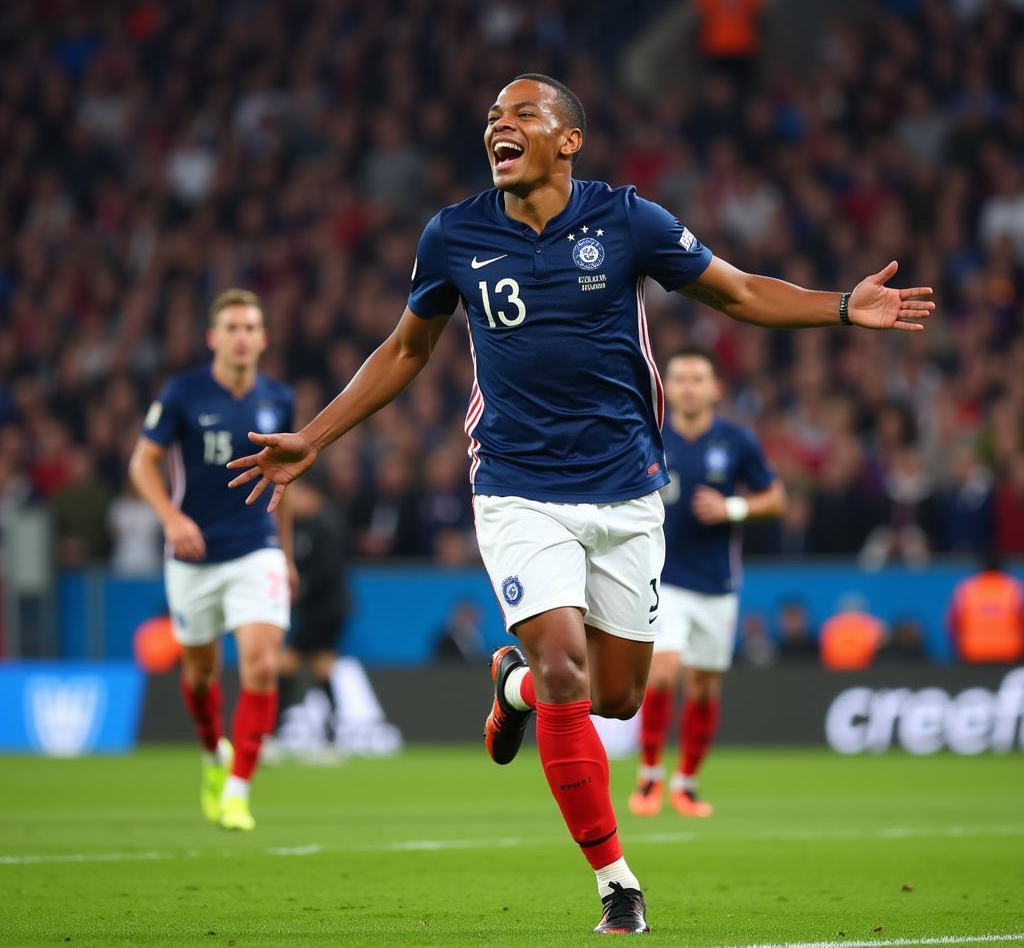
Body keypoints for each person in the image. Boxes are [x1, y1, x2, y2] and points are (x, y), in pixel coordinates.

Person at [226, 74, 934, 935]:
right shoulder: (453, 234)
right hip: (518, 489)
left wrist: (840, 310)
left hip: (628, 492)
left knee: (618, 698)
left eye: (523, 114)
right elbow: (407, 348)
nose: (501, 126)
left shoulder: (628, 219)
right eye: (492, 117)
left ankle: (512, 688)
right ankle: (616, 882)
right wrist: (316, 435)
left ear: (569, 141)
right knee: (568, 668)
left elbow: (738, 291)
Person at [129, 288, 295, 832]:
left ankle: (238, 791)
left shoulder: (279, 400)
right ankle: (210, 754)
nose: (242, 337)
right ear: (213, 338)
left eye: (251, 327)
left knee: (262, 665)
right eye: (232, 327)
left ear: (264, 338)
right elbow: (142, 465)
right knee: (200, 677)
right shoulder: (182, 394)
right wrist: (171, 519)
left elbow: (283, 486)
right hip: (193, 555)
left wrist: (286, 555)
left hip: (256, 549)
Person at [628, 347, 786, 820]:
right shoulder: (648, 436)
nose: (689, 387)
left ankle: (687, 784)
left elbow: (776, 498)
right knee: (663, 670)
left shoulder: (736, 439)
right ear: (667, 387)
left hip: (717, 582)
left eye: (698, 379)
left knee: (703, 687)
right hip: (664, 576)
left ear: (716, 388)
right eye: (679, 379)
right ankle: (650, 774)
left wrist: (732, 509)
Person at [275, 475, 349, 746]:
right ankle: (333, 733)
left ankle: (271, 732)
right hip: (317, 611)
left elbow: (327, 571)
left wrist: (300, 588)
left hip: (326, 611)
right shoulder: (300, 525)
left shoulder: (327, 525)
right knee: (322, 667)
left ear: (312, 495)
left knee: (287, 664)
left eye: (296, 495)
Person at [948, 549, 1024, 664]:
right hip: (1009, 653)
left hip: (972, 653)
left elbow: (953, 625)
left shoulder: (966, 588)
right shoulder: (1015, 588)